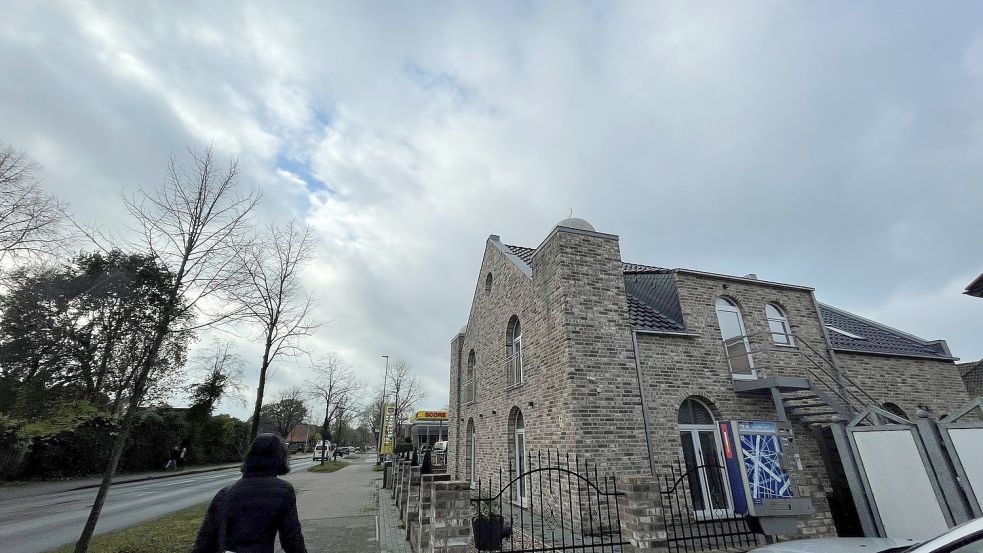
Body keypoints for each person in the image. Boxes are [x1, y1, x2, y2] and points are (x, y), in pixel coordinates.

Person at [192, 434, 307, 553]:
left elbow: (205, 539)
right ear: (280, 459)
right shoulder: (283, 491)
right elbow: (292, 539)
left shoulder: (225, 493)